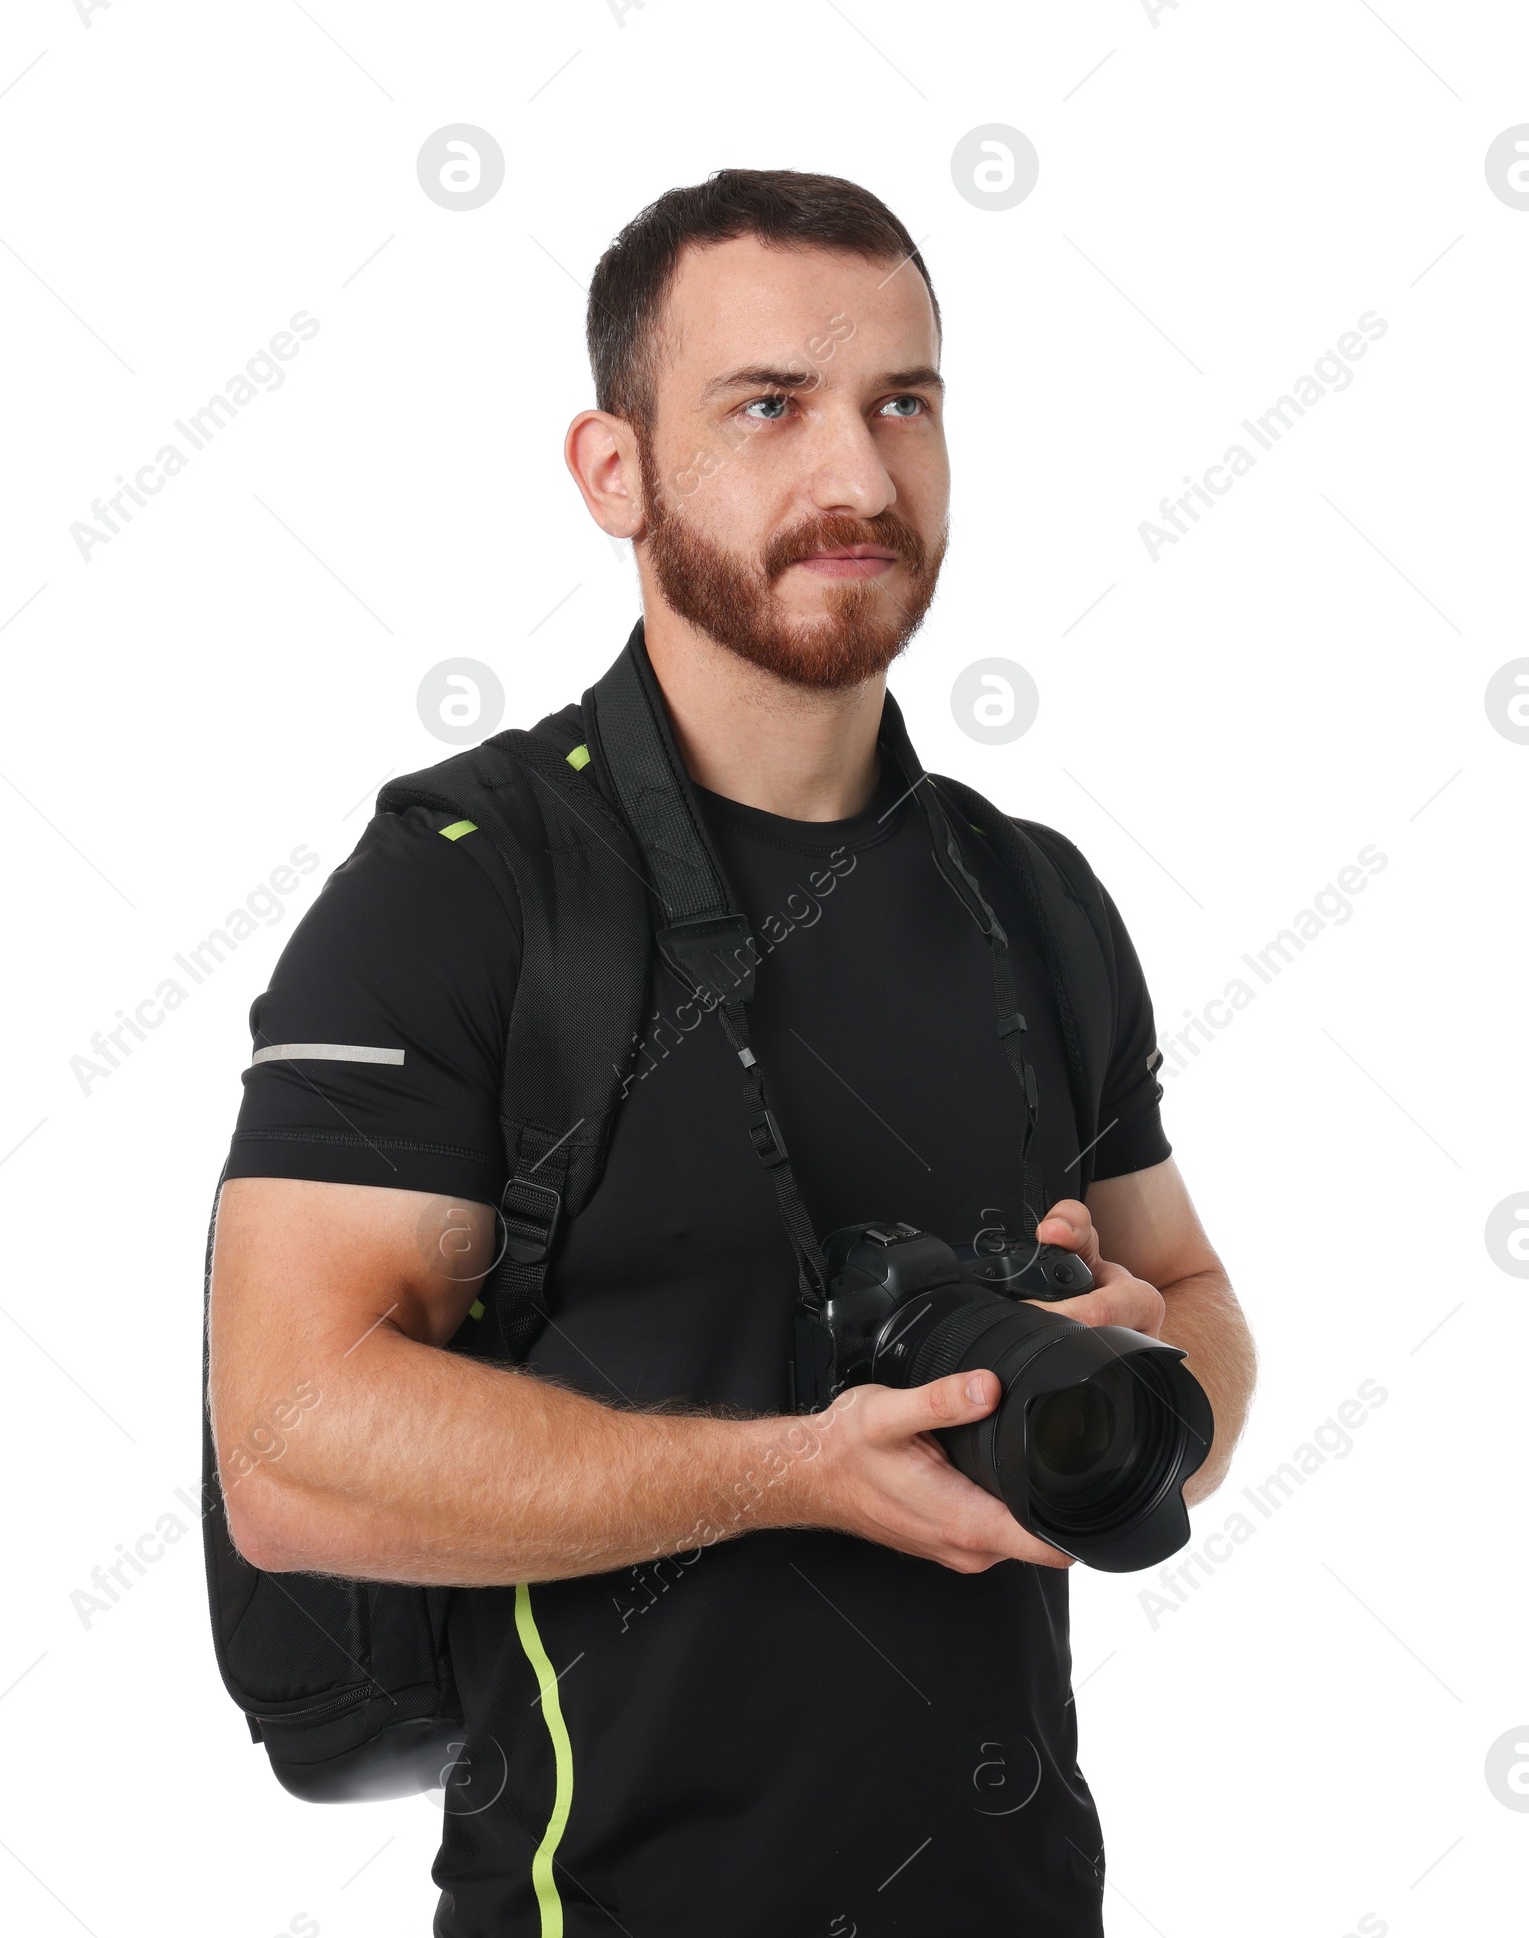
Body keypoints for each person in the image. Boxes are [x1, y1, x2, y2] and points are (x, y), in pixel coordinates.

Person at [209, 167, 1257, 1936]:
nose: (855, 477)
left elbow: (1193, 1291)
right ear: (612, 468)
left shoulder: (1032, 894)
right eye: (768, 406)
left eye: (901, 404)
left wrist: (1138, 1397)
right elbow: (290, 1447)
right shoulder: (462, 890)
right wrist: (794, 1469)